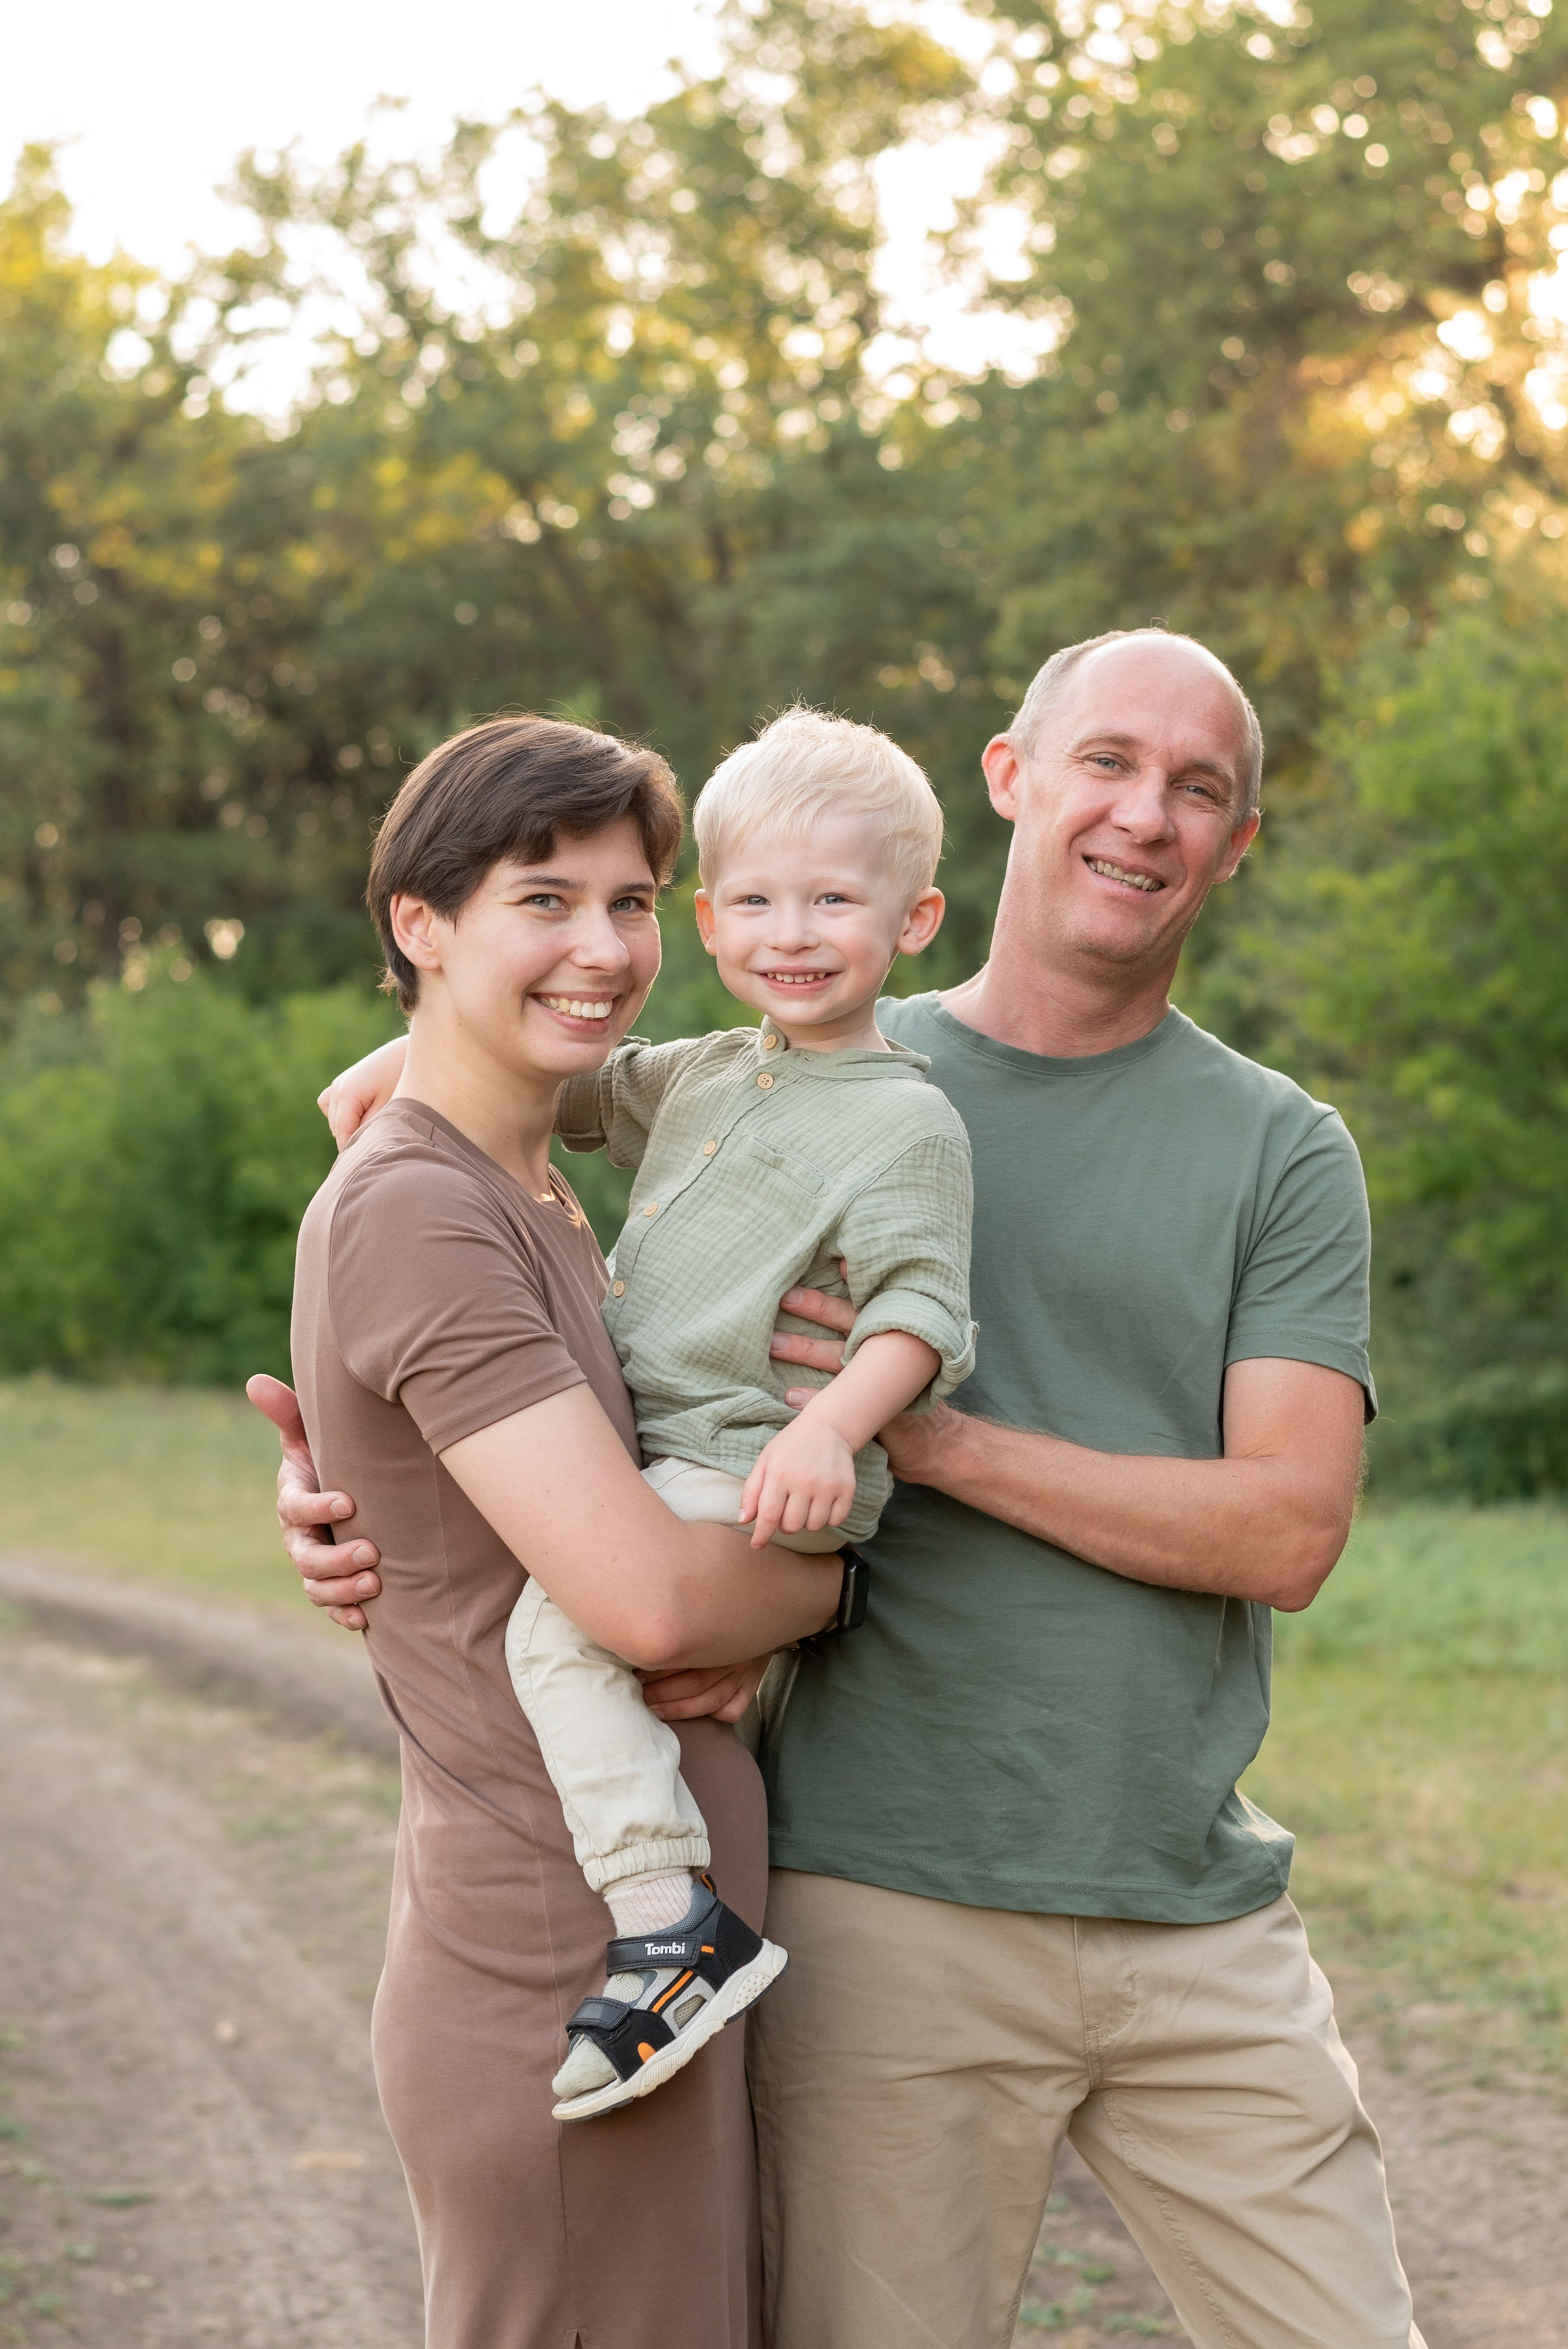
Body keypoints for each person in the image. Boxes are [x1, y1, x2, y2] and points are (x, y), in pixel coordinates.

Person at [266, 630, 1428, 2349]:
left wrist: (918, 1444)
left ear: (1239, 840)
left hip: (1194, 1908)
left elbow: (1289, 1530)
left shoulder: (1277, 1146)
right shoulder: (754, 1067)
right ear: (1013, 780)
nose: (1146, 815)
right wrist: (348, 1498)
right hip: (878, 1895)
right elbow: (431, 1129)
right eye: (1105, 761)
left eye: (1201, 789)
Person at [272, 713, 845, 2349]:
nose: (603, 948)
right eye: (544, 898)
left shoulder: (529, 1178)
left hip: (633, 1970)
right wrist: (836, 1570)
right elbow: (653, 1604)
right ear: (419, 922)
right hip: (566, 1978)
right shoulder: (425, 1205)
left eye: (632, 900)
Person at [327, 708, 975, 2125]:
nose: (789, 933)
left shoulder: (906, 1121)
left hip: (758, 1459)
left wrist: (830, 1432)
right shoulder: (700, 1076)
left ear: (913, 917)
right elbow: (551, 1089)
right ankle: (665, 1904)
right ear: (713, 916)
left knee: (560, 1637)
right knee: (573, 1629)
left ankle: (660, 1911)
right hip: (679, 1465)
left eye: (831, 902)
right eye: (752, 902)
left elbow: (922, 1311)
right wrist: (388, 1076)